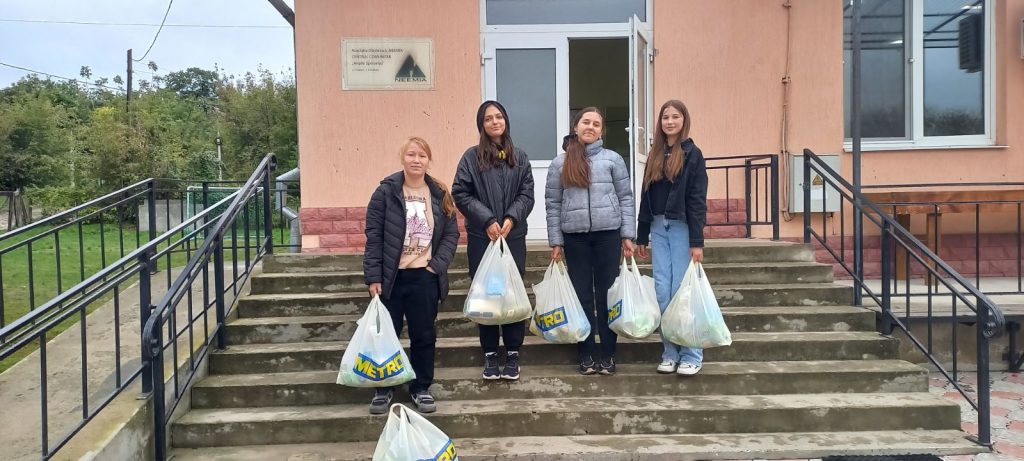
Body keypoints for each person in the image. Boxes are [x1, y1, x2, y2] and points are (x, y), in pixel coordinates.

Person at [363, 137, 460, 414]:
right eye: (411, 154)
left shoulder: (440, 193)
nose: (416, 160)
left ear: (429, 160)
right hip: (391, 279)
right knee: (386, 336)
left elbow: (451, 235)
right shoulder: (385, 192)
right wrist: (373, 277)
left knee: (424, 335)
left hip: (424, 277)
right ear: (402, 158)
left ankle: (421, 387)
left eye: (422, 156)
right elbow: (374, 237)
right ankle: (384, 388)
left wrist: (436, 266)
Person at [545, 106, 636, 376]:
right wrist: (556, 241)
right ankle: (585, 353)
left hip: (608, 235)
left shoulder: (613, 160)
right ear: (576, 127)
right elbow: (553, 203)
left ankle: (608, 354)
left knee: (607, 295)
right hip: (575, 239)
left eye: (596, 124)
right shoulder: (559, 163)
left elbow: (626, 198)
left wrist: (627, 235)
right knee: (582, 295)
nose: (591, 127)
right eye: (586, 122)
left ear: (601, 131)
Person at [452, 100, 535, 381]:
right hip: (482, 239)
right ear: (482, 125)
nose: (494, 122)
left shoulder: (520, 157)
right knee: (486, 295)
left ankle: (512, 353)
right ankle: (489, 354)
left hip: (513, 239)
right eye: (488, 118)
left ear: (506, 121)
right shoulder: (471, 158)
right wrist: (487, 220)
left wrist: (511, 218)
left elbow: (527, 195)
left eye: (499, 116)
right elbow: (460, 193)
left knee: (512, 294)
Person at [635, 100, 709, 376]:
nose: (669, 121)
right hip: (657, 228)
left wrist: (697, 241)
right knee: (663, 292)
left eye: (675, 116)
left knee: (682, 291)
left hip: (681, 229)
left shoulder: (693, 154)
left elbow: (697, 199)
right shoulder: (654, 154)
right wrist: (641, 234)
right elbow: (645, 195)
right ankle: (670, 352)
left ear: (683, 120)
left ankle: (691, 353)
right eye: (665, 116)